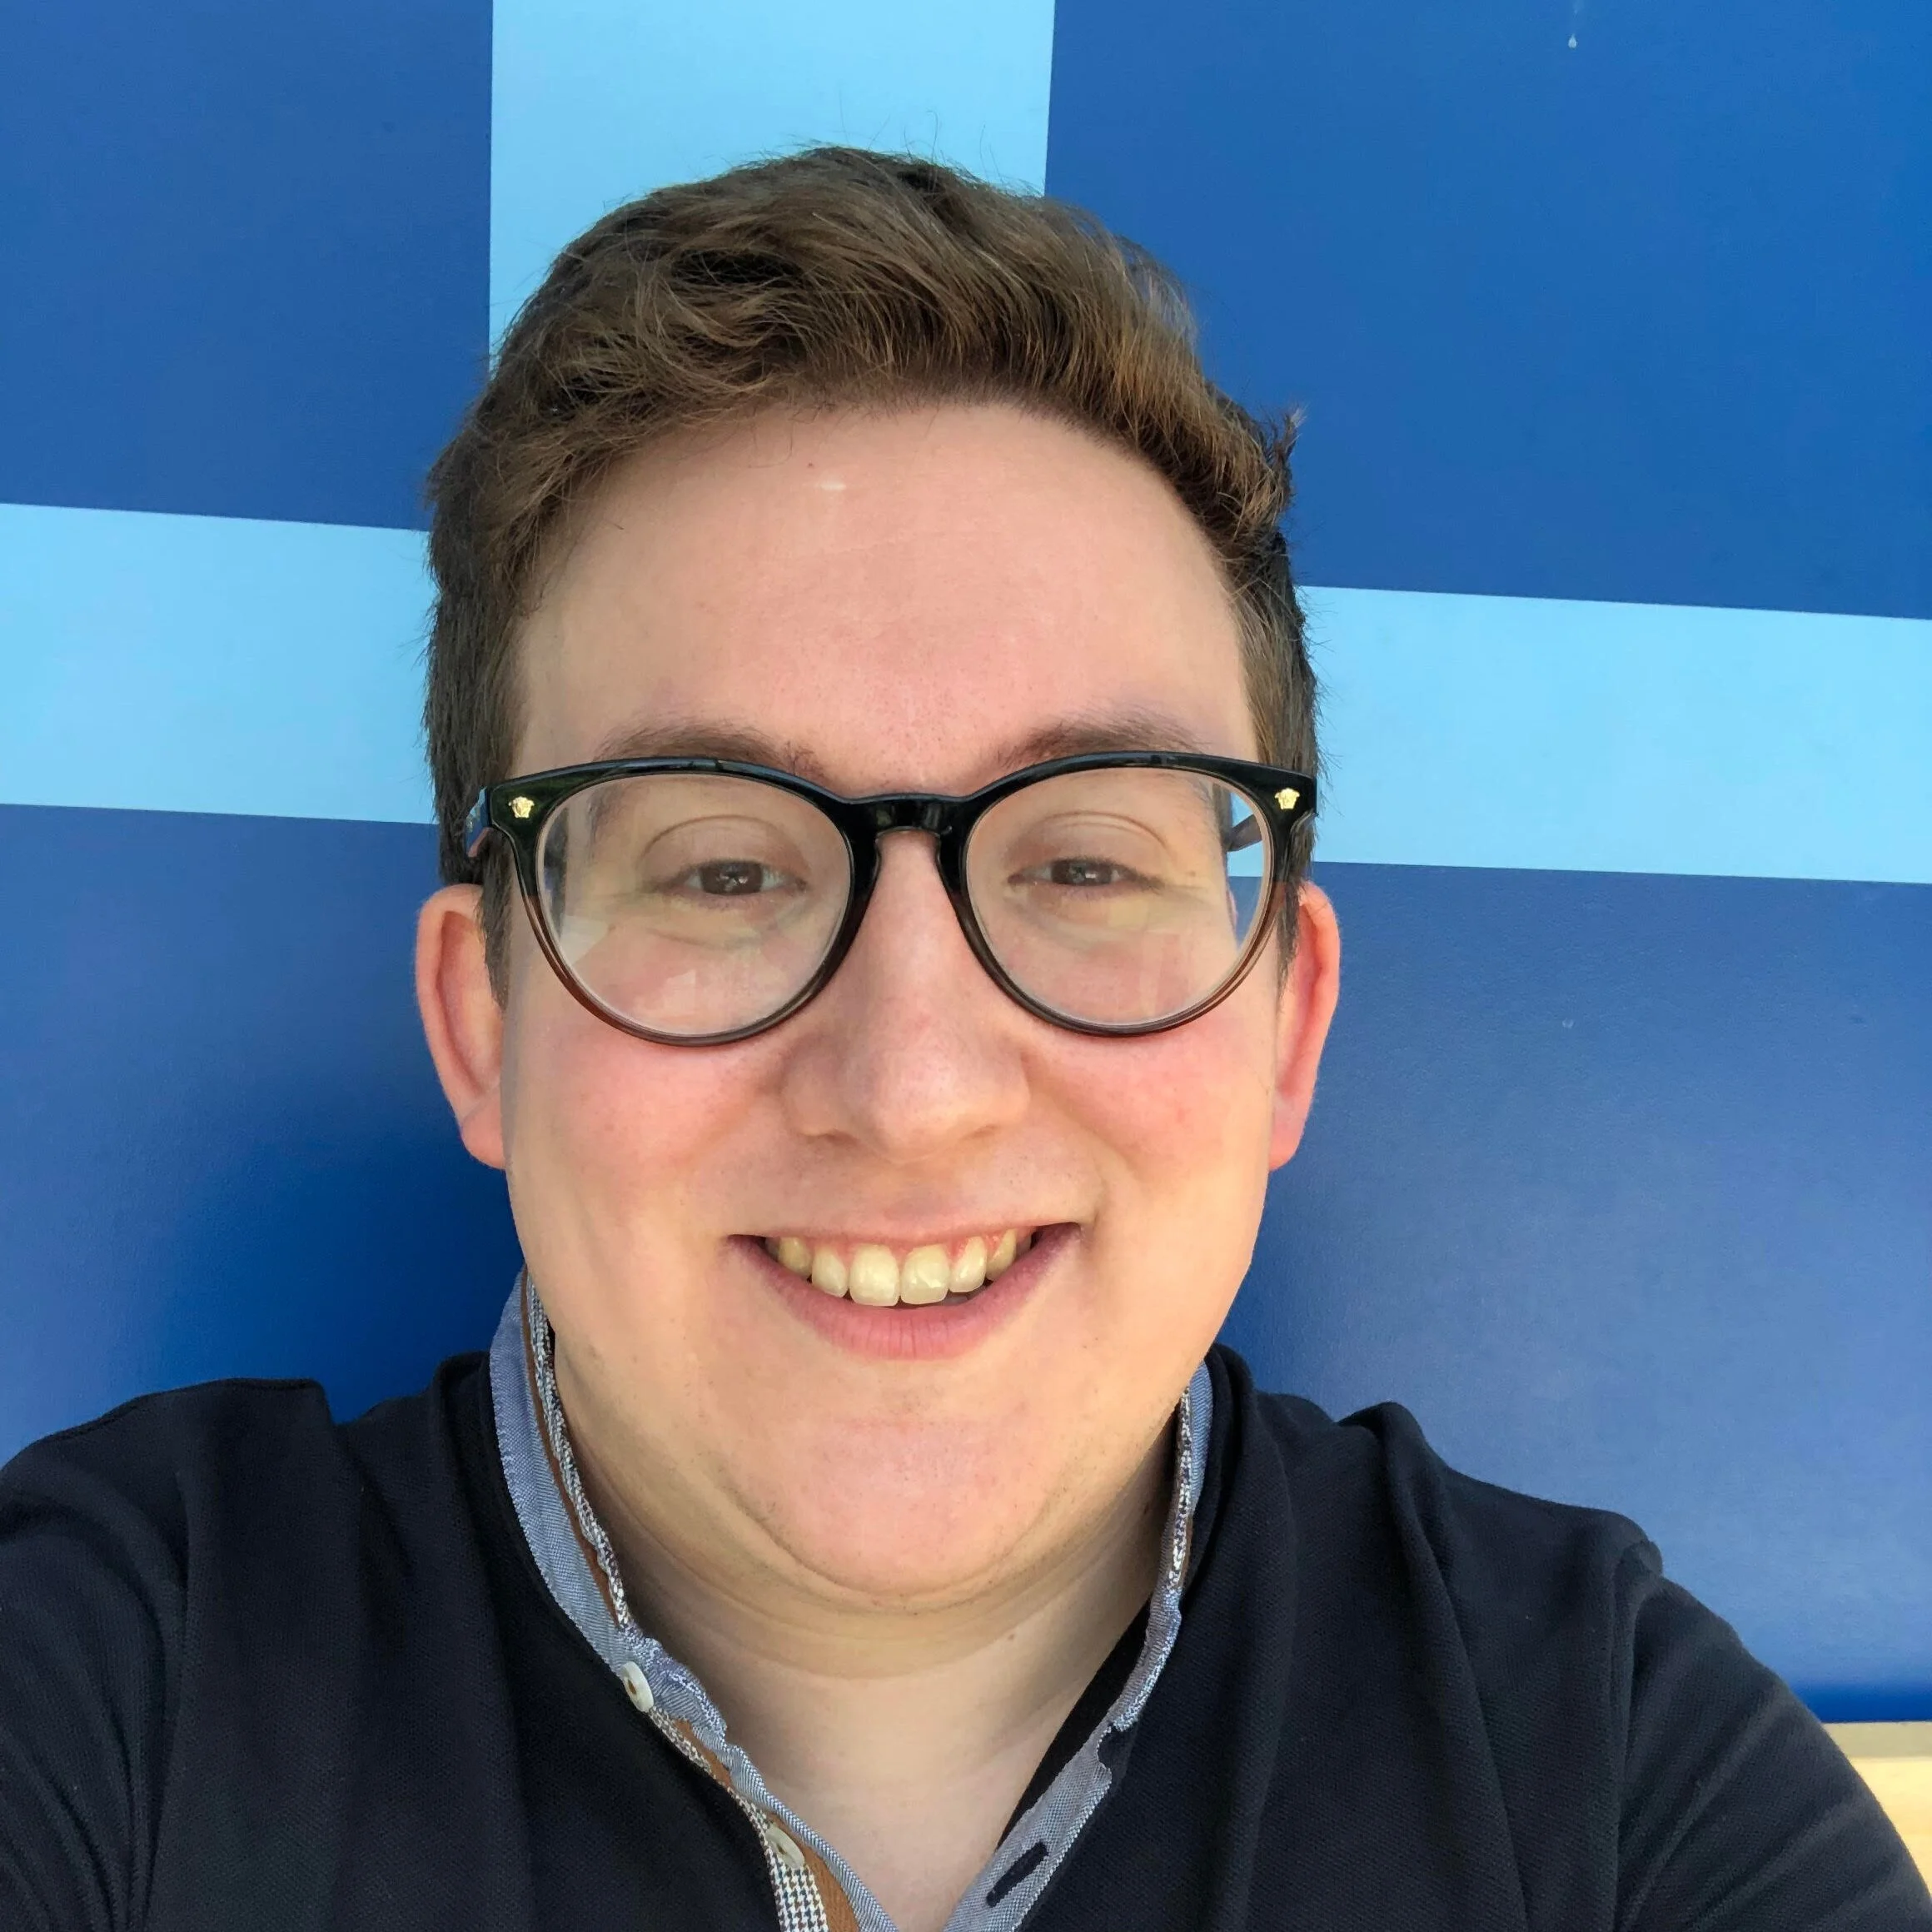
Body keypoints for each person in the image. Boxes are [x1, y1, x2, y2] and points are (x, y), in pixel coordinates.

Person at [1, 147, 1925, 1932]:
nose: (911, 1083)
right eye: (724, 869)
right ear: (479, 1021)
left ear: (1284, 1026)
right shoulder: (116, 1670)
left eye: (1082, 860)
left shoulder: (1586, 1755)